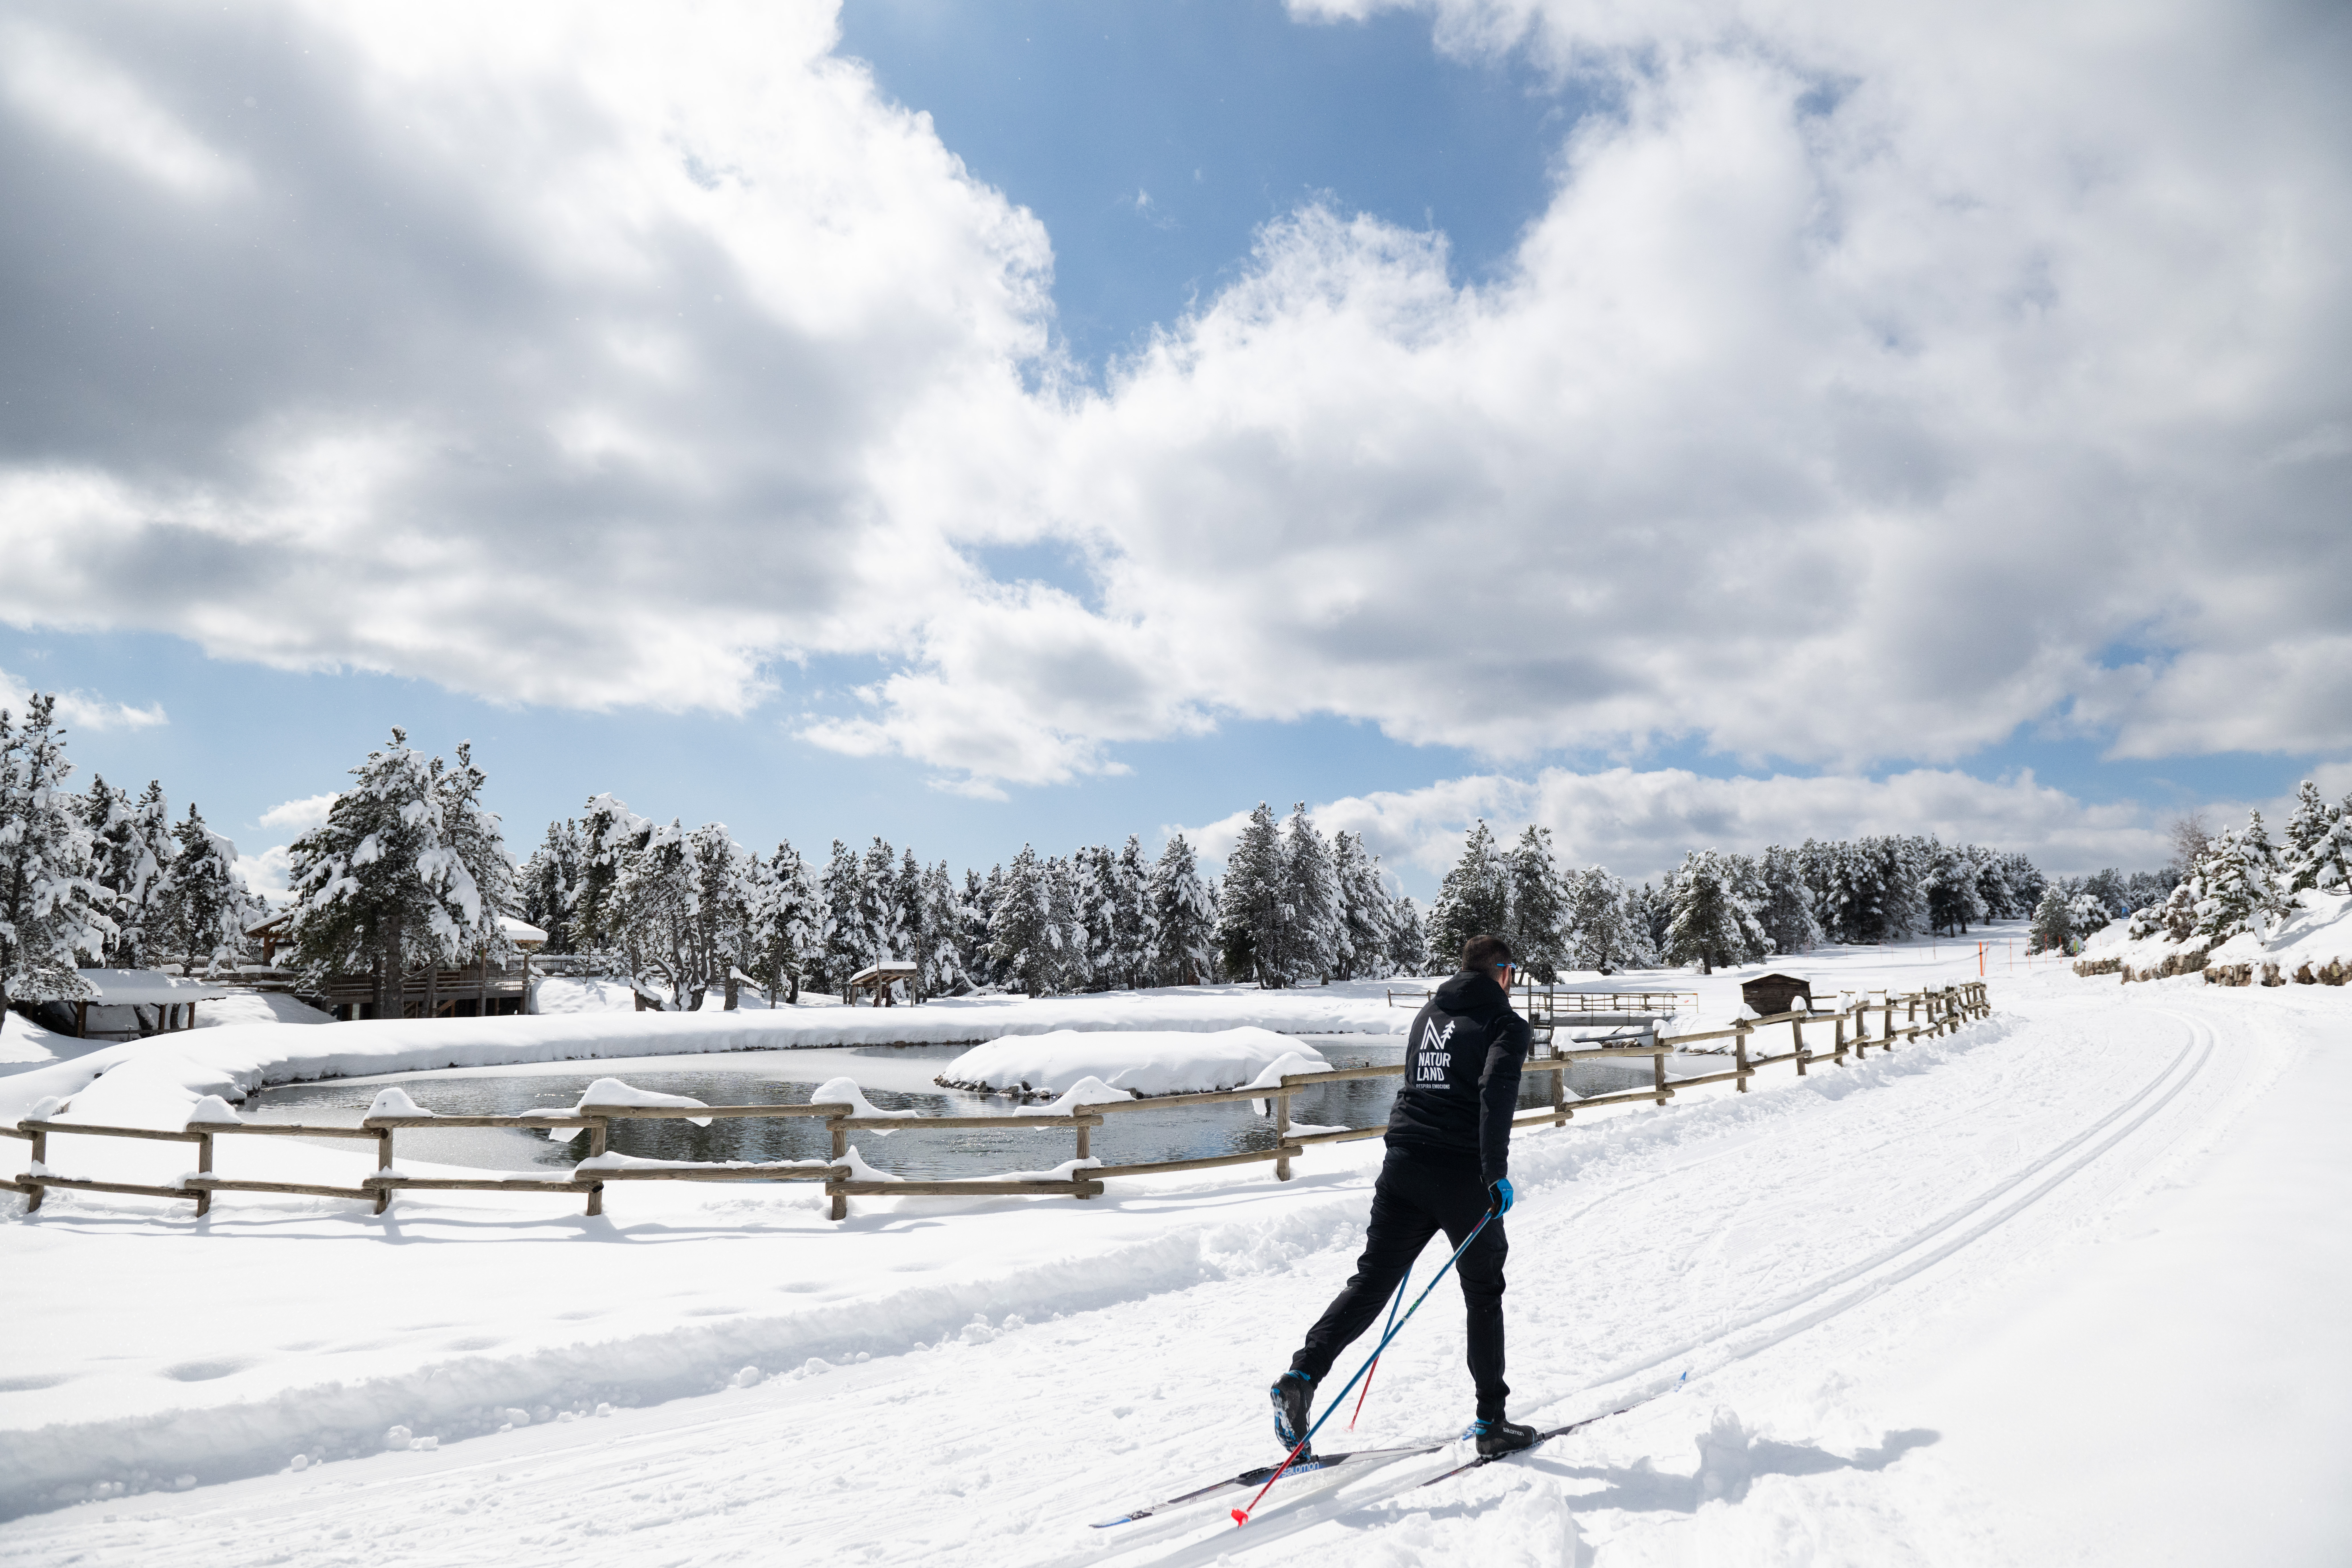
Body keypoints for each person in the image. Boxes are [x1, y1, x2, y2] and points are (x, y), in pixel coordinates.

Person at [1269, 932, 1538, 1459]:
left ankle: (1302, 1375)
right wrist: (1495, 1173)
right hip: (1462, 1176)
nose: (1514, 982)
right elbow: (1496, 1096)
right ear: (1501, 972)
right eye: (1513, 973)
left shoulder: (1429, 1015)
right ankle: (1491, 1422)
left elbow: (1415, 1082)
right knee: (1483, 1293)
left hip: (1403, 1167)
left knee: (1371, 1283)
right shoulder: (1506, 1025)